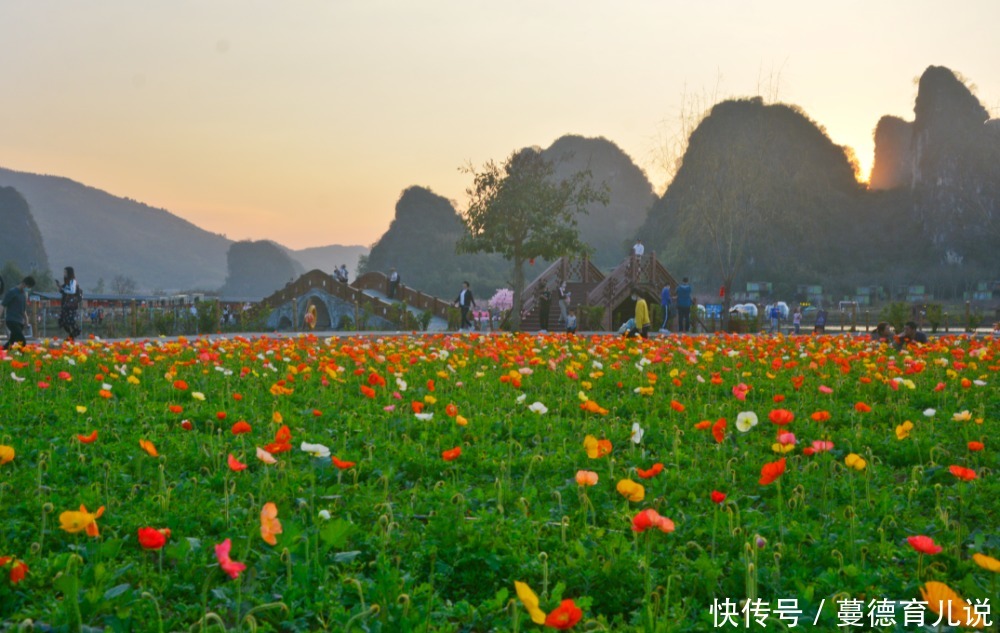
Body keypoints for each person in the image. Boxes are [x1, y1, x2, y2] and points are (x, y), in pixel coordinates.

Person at [2, 276, 36, 351]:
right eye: (28, 287)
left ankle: (2, 352)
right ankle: (23, 357)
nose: (28, 289)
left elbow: (23, 310)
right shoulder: (12, 292)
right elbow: (3, 305)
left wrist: (26, 320)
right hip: (11, 320)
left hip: (20, 321)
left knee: (12, 342)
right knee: (22, 341)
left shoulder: (24, 294)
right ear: (24, 284)